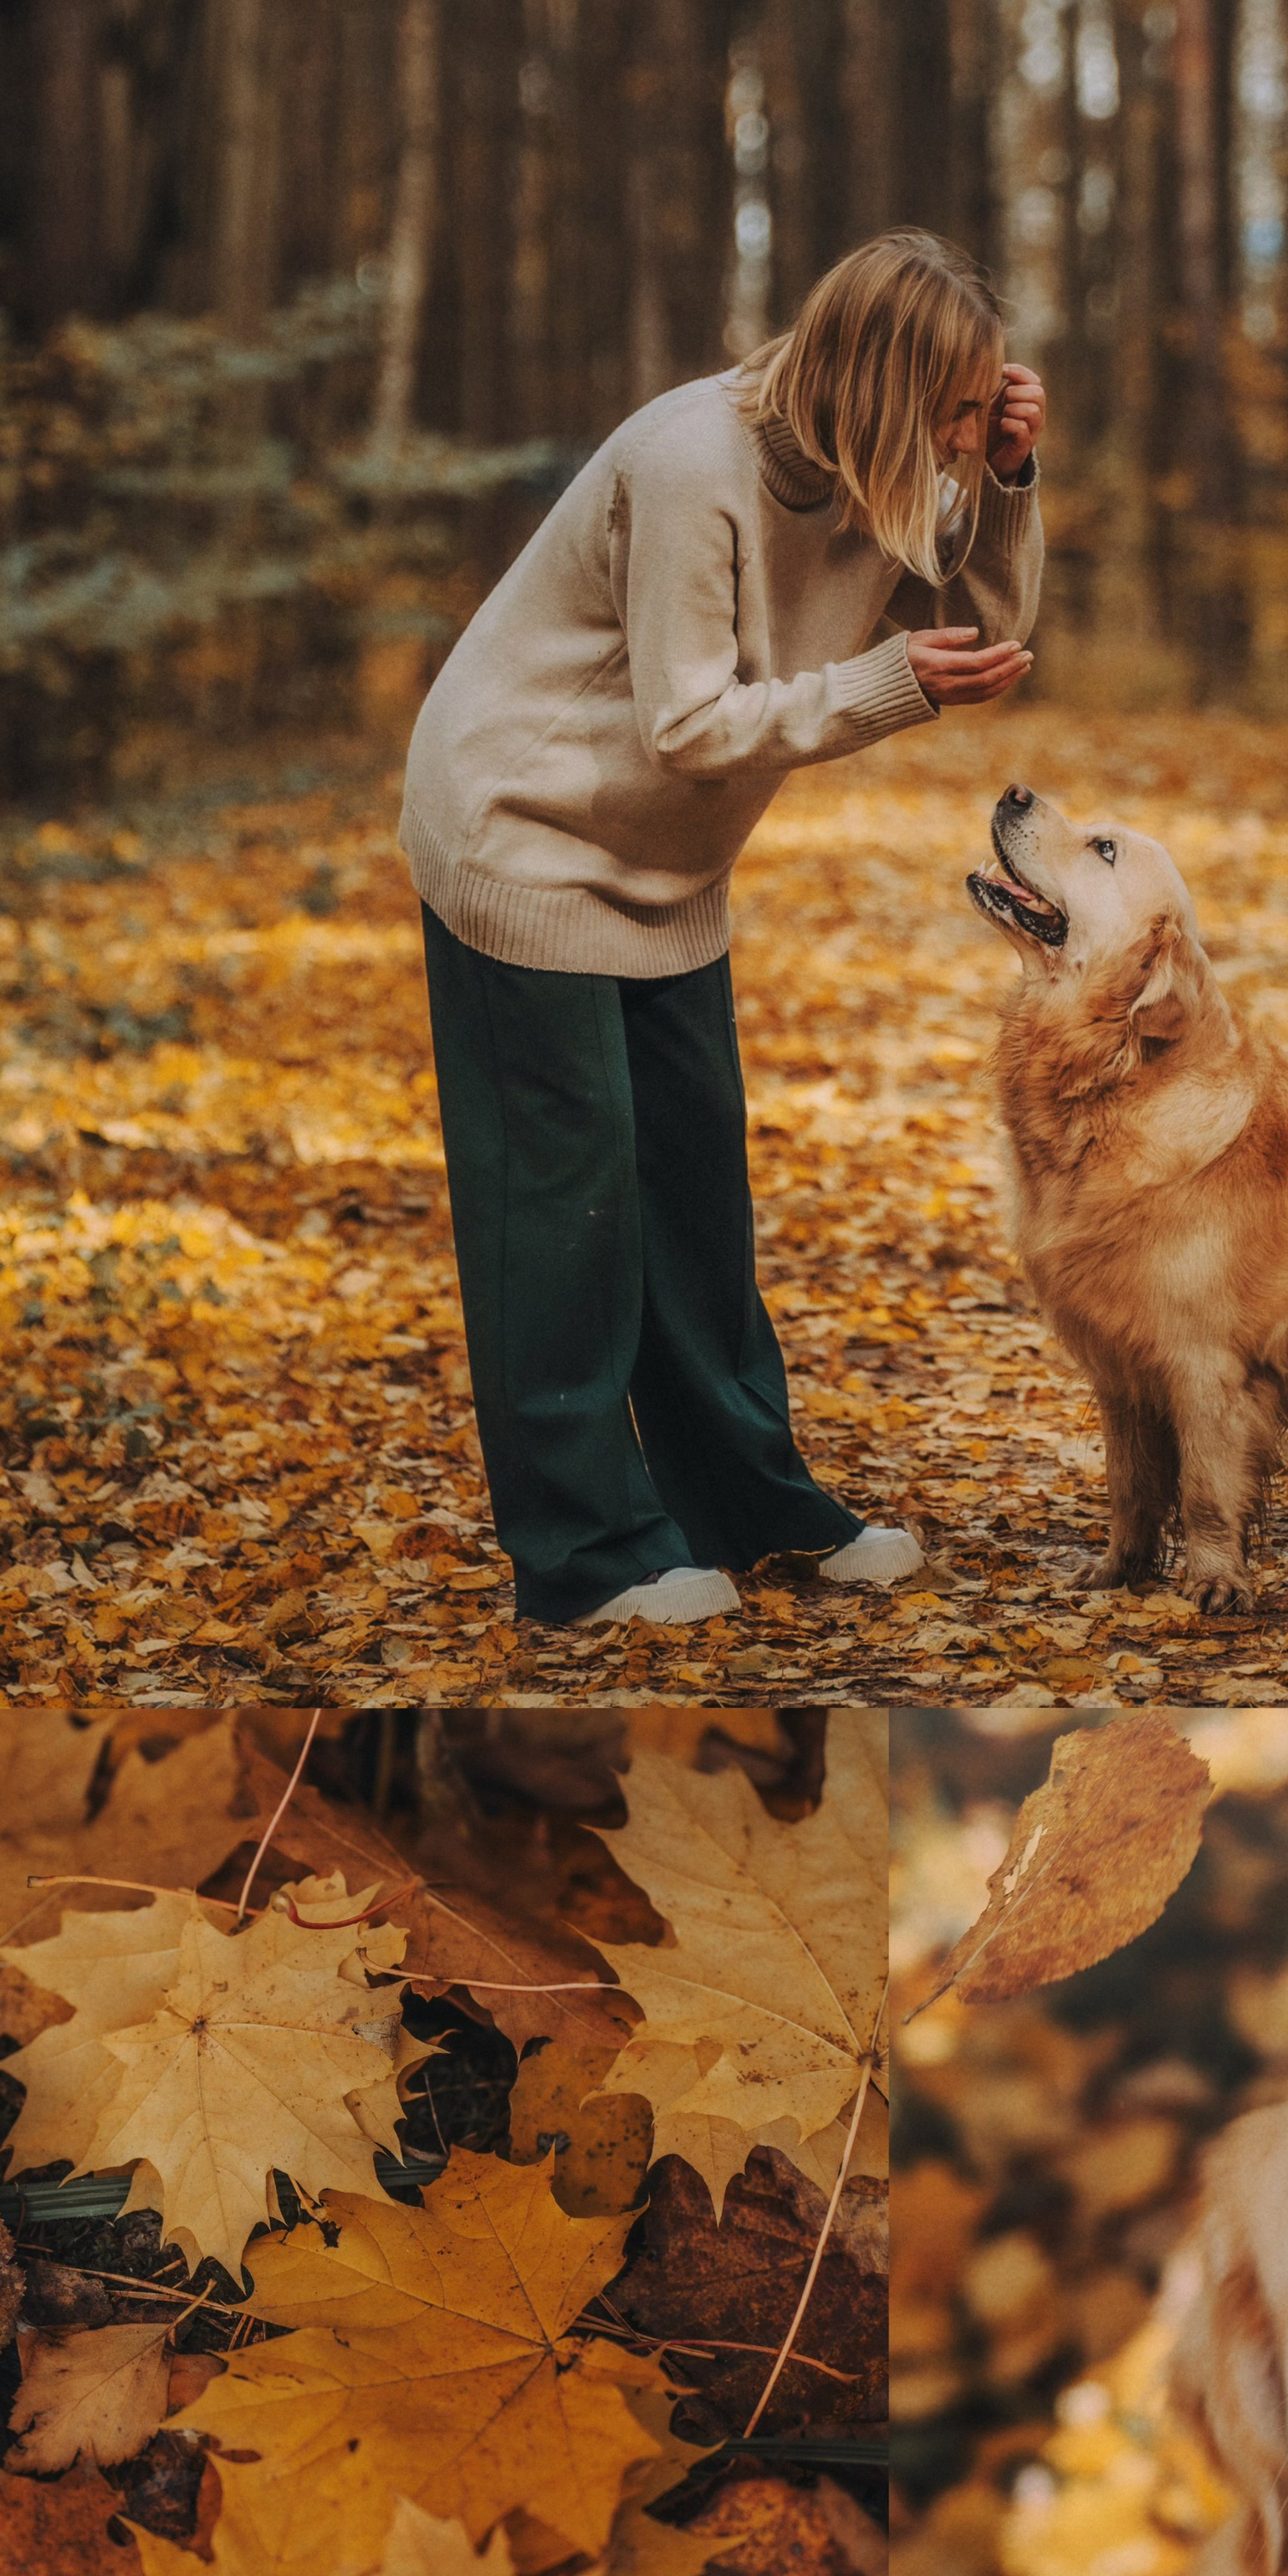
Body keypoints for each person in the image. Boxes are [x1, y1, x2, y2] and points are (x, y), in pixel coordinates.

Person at [401, 229, 1045, 1627]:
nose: (960, 437)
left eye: (977, 412)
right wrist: (883, 684)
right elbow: (688, 723)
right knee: (566, 1213)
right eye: (952, 413)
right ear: (878, 390)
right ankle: (584, 1556)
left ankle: (748, 1504)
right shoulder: (695, 463)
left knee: (696, 1201)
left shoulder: (880, 473)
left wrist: (1004, 482)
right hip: (523, 831)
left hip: (667, 860)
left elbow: (991, 619)